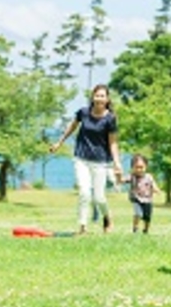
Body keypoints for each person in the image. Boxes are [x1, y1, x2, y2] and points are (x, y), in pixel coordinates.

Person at [50, 84, 123, 234]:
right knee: (84, 192)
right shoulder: (83, 113)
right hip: (81, 158)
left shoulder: (110, 119)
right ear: (92, 97)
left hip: (101, 162)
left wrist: (117, 163)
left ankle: (107, 217)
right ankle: (82, 227)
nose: (99, 99)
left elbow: (113, 143)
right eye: (97, 95)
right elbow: (71, 128)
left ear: (107, 99)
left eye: (103, 96)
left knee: (99, 198)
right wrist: (59, 142)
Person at [123, 154, 161, 233]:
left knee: (147, 217)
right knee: (138, 213)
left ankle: (146, 229)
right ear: (132, 168)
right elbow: (122, 180)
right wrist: (119, 177)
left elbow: (153, 184)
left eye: (141, 167)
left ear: (146, 167)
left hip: (147, 200)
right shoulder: (132, 176)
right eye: (136, 167)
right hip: (136, 199)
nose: (139, 169)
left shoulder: (149, 176)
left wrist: (156, 189)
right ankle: (135, 228)